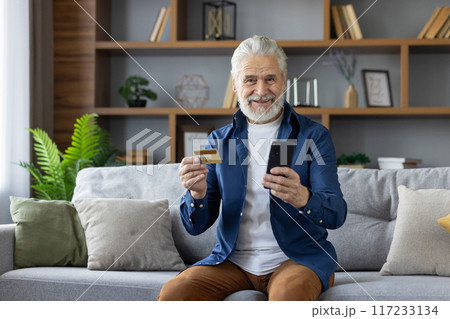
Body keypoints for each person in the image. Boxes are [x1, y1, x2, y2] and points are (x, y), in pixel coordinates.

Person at [158, 35, 347, 301]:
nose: (261, 90)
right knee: (173, 294)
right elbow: (196, 226)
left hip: (298, 259)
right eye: (250, 80)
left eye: (270, 78)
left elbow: (336, 214)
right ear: (235, 84)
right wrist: (197, 195)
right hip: (232, 263)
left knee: (287, 296)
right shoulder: (216, 141)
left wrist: (303, 197)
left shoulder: (314, 136)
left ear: (283, 80)